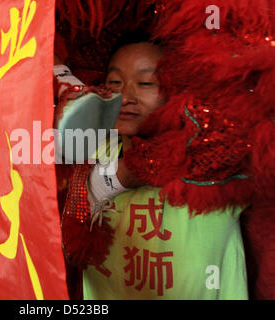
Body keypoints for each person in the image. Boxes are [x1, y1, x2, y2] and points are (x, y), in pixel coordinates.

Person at [61, 40, 249, 299]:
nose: (126, 97)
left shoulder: (218, 161)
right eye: (115, 83)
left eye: (146, 83)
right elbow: (63, 241)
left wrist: (139, 166)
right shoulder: (90, 154)